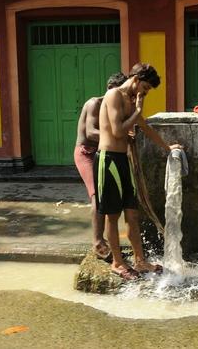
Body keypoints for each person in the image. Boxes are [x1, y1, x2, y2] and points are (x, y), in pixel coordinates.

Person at [95, 63, 182, 280]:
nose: (145, 93)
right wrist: (138, 111)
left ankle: (140, 261)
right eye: (145, 87)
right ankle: (117, 262)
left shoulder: (130, 100)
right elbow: (117, 131)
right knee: (113, 216)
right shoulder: (114, 95)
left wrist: (167, 147)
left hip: (123, 160)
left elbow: (144, 126)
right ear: (136, 79)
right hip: (108, 161)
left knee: (132, 214)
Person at [74, 72, 127, 261]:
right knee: (97, 196)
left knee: (106, 196)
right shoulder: (94, 103)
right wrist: (117, 134)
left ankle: (104, 239)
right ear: (111, 88)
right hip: (86, 153)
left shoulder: (116, 106)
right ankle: (97, 241)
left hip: (102, 154)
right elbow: (91, 131)